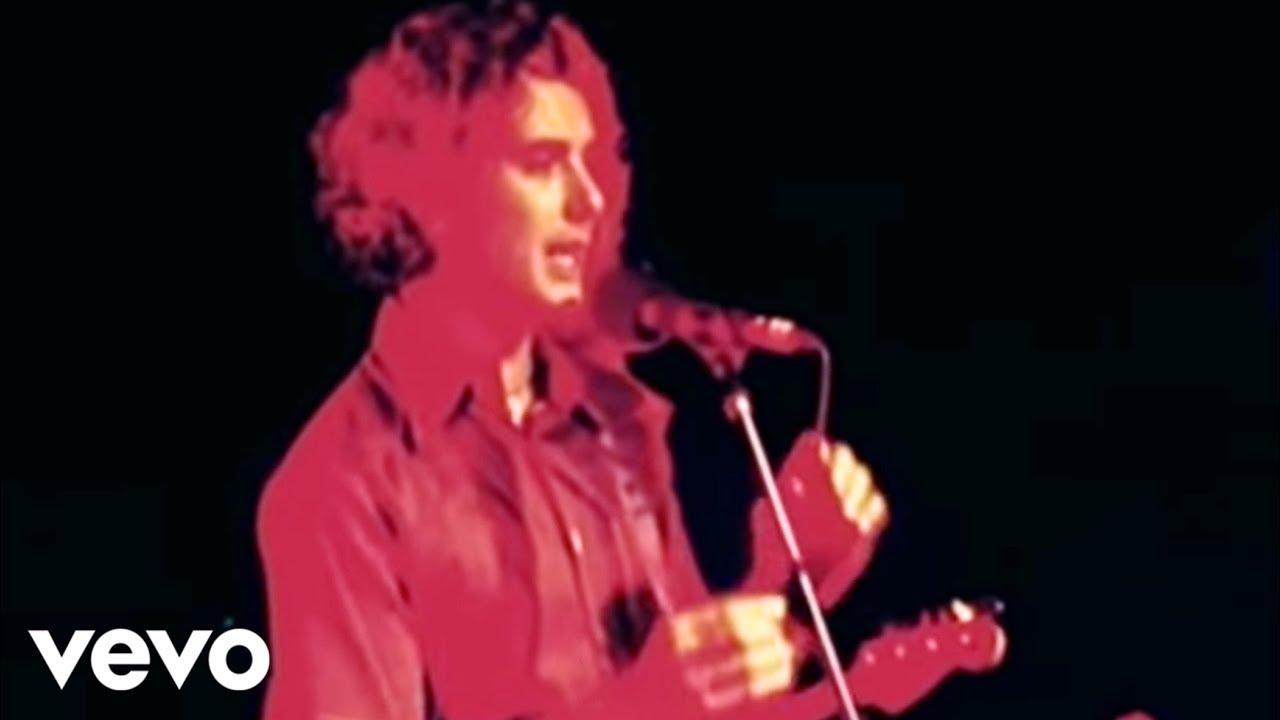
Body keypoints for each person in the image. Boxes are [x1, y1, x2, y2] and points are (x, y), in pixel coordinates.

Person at [254, 3, 889, 718]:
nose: (590, 200)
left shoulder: (615, 419)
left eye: (593, 161)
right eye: (542, 163)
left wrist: (790, 583)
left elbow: (693, 708)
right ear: (434, 192)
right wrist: (639, 706)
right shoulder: (342, 484)